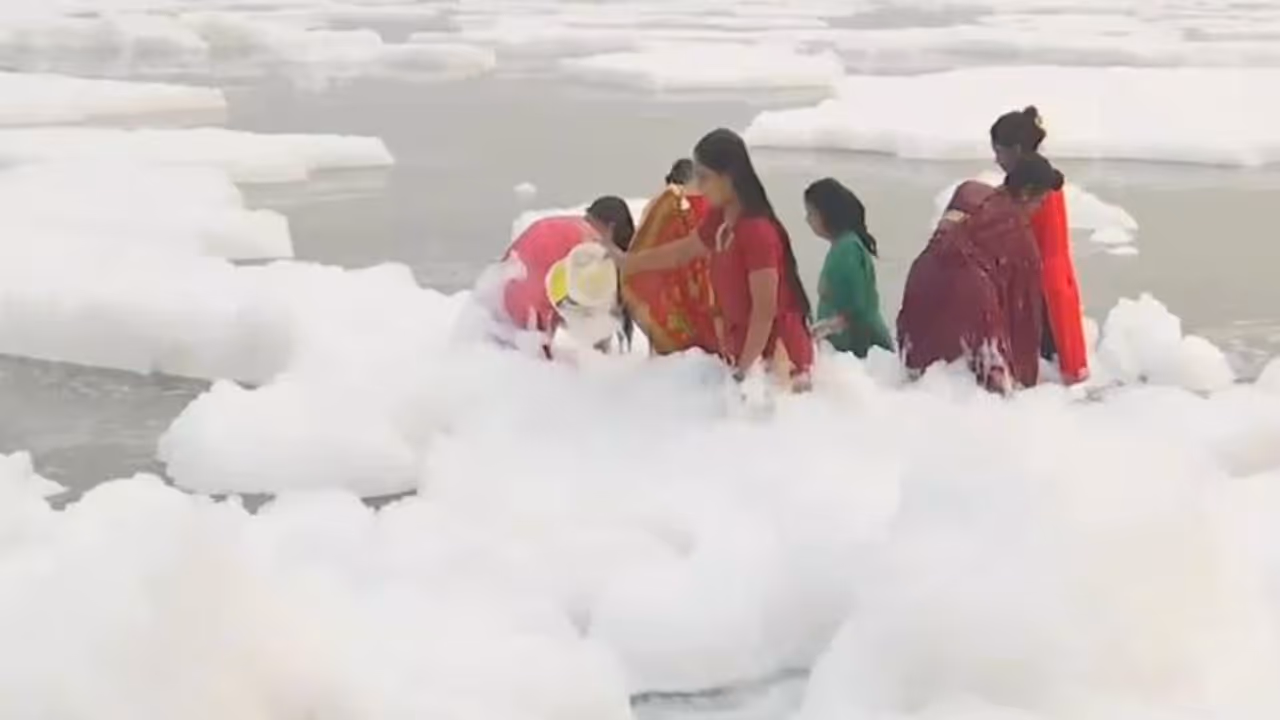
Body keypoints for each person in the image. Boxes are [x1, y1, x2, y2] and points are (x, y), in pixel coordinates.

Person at [613, 129, 814, 387]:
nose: (699, 186)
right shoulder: (721, 217)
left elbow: (765, 311)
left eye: (704, 178)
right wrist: (629, 262)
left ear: (728, 177)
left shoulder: (757, 232)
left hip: (779, 359)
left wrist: (744, 372)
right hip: (744, 350)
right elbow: (682, 252)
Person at [897, 153, 1064, 392]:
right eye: (1040, 202)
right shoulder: (1021, 240)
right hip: (971, 299)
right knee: (982, 383)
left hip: (921, 279)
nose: (1038, 210)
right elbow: (1024, 321)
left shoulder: (969, 192)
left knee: (923, 373)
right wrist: (1025, 381)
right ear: (1026, 193)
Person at [991, 106, 1089, 384]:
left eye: (999, 151)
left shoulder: (1030, 186)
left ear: (1017, 149)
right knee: (1065, 346)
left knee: (1048, 349)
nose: (996, 159)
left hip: (1040, 277)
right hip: (1056, 270)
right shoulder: (1045, 177)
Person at [500, 196, 635, 357]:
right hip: (527, 302)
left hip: (502, 283)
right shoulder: (591, 248)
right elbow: (594, 311)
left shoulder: (571, 225)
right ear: (611, 228)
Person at [622, 158, 719, 355]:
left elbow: (645, 244)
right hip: (709, 278)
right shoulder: (714, 204)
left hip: (672, 275)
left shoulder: (661, 205)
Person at [803, 178, 893, 358]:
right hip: (851, 352)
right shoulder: (844, 245)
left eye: (811, 213)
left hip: (861, 352)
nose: (807, 220)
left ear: (827, 214)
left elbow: (856, 310)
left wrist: (826, 329)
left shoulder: (847, 250)